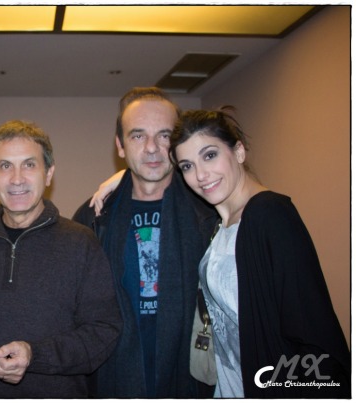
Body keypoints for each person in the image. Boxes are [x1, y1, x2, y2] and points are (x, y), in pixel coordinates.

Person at [168, 106, 350, 398]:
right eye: (187, 166)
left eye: (210, 155)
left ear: (239, 151)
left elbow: (311, 329)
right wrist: (117, 181)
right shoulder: (219, 224)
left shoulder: (270, 215)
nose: (200, 174)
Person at [73, 87, 219, 398]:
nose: (152, 148)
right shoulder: (93, 217)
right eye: (138, 135)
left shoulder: (209, 213)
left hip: (191, 376)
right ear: (120, 145)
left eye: (164, 135)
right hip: (112, 377)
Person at [0, 120, 122, 398]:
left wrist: (35, 355)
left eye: (29, 165)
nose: (17, 179)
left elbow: (103, 331)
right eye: (5, 166)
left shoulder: (81, 243)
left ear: (49, 174)